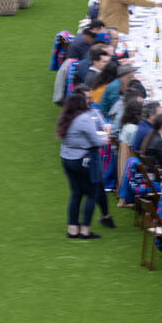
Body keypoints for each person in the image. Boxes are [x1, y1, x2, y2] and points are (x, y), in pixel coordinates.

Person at [58, 92, 107, 239]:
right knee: (92, 193)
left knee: (76, 193)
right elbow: (96, 141)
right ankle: (85, 230)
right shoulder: (84, 119)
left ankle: (72, 229)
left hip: (66, 158)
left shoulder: (64, 117)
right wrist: (104, 140)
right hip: (82, 160)